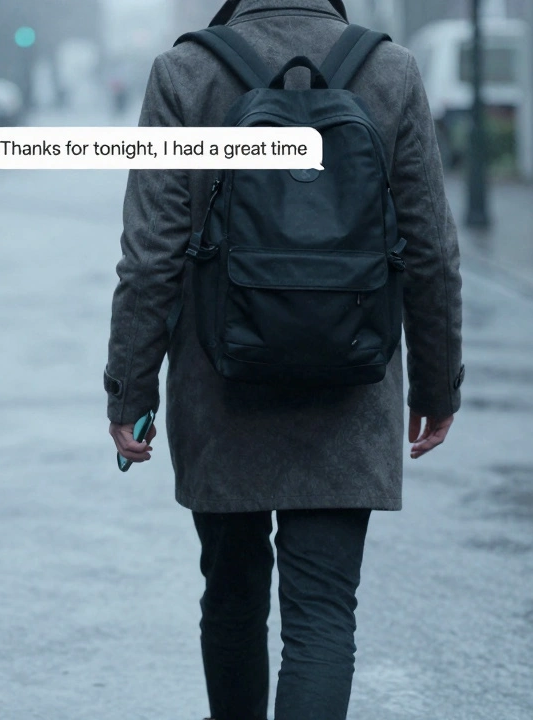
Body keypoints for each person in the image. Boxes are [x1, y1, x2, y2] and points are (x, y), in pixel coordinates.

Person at [104, 0, 463, 718]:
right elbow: (430, 248)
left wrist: (131, 390)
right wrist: (436, 384)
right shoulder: (389, 71)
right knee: (323, 612)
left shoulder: (186, 73)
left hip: (220, 386)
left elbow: (150, 257)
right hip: (351, 387)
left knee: (231, 598)